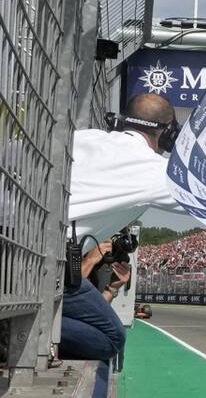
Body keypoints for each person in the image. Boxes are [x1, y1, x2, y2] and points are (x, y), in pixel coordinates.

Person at [61, 93, 183, 361]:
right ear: (167, 134)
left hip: (19, 235)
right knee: (111, 337)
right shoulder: (154, 169)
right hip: (50, 266)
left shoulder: (85, 137)